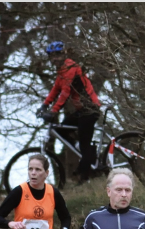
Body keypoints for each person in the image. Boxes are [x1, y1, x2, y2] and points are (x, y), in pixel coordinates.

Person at [39, 41, 103, 182]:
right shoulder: (61, 72)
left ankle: (84, 176)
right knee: (61, 129)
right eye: (51, 56)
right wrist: (45, 105)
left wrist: (53, 111)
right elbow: (56, 89)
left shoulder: (71, 68)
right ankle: (81, 150)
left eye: (57, 55)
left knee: (85, 145)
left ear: (64, 54)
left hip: (90, 109)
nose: (54, 58)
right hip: (82, 110)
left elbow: (65, 93)